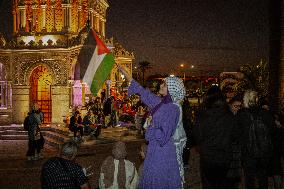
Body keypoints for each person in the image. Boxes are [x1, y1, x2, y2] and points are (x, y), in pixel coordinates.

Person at [118, 65, 186, 189]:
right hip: (155, 149)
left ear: (171, 89)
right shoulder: (162, 103)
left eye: (164, 85)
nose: (161, 85)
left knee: (158, 182)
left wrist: (150, 125)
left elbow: (164, 136)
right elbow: (143, 92)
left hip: (163, 153)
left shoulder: (173, 109)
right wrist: (127, 74)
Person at [193, 86, 236, 189]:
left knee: (208, 183)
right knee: (222, 183)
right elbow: (235, 135)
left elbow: (197, 136)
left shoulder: (203, 116)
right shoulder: (229, 115)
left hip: (208, 157)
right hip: (225, 156)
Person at [235, 90, 275, 189]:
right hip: (264, 152)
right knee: (263, 177)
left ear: (245, 100)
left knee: (249, 178)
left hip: (248, 153)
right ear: (257, 100)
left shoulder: (241, 115)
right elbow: (273, 130)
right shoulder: (265, 113)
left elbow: (236, 133)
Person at [227, 95, 243, 189]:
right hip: (228, 151)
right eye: (235, 106)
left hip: (237, 152)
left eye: (239, 106)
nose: (237, 108)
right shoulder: (227, 117)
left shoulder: (240, 116)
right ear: (230, 105)